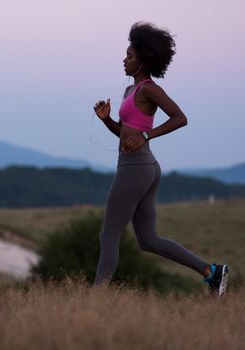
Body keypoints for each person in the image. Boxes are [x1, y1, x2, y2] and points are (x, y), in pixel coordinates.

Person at [92, 21, 229, 296]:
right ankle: (212, 273)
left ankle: (94, 302)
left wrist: (146, 136)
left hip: (137, 168)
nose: (124, 60)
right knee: (148, 240)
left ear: (144, 59)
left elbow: (180, 118)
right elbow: (125, 134)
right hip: (142, 167)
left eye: (129, 56)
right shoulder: (130, 92)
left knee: (109, 235)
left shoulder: (148, 89)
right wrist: (107, 121)